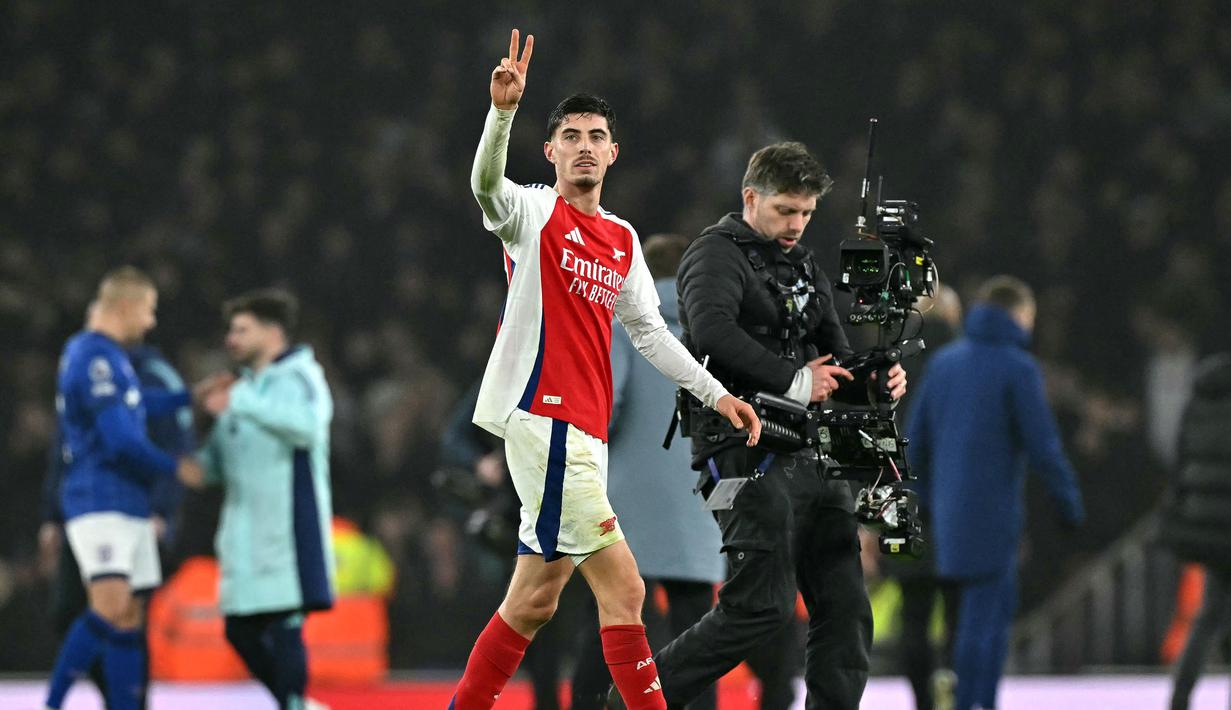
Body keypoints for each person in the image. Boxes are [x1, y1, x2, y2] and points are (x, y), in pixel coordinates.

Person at [450, 29, 761, 710]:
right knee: (626, 589)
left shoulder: (621, 238)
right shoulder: (533, 212)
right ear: (551, 151)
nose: (584, 145)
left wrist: (715, 395)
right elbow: (484, 186)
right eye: (571, 136)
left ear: (613, 152)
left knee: (533, 601)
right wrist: (501, 113)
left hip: (584, 433)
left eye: (596, 136)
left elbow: (649, 332)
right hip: (547, 421)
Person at [639, 141, 907, 710]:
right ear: (750, 198)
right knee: (759, 606)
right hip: (743, 449)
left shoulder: (804, 265)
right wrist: (795, 381)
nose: (796, 225)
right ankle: (635, 701)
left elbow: (836, 358)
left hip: (812, 453)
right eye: (786, 210)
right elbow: (710, 333)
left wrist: (876, 381)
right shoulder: (713, 254)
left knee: (846, 609)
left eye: (806, 212)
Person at [906, 276, 1085, 710]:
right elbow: (1044, 447)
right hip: (994, 517)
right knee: (985, 623)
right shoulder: (1018, 368)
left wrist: (923, 503)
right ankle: (975, 703)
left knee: (963, 619)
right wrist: (1069, 504)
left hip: (946, 518)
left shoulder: (944, 364)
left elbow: (914, 444)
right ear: (1020, 315)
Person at [568, 233, 726, 710]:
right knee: (697, 631)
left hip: (627, 501)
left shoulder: (622, 327)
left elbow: (605, 406)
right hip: (699, 498)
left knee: (612, 621)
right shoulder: (716, 336)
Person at [44, 266, 202, 710]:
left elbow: (135, 401)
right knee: (109, 608)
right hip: (101, 499)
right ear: (127, 306)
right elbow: (119, 439)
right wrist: (174, 468)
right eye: (149, 309)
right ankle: (51, 704)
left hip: (128, 501)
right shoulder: (93, 356)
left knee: (129, 616)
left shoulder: (111, 357)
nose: (151, 321)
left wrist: (189, 396)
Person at [182, 289, 335, 710]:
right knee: (239, 631)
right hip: (243, 537)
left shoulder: (301, 376)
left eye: (241, 330)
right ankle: (297, 705)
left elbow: (308, 425)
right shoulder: (241, 390)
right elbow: (213, 465)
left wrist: (240, 401)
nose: (230, 339)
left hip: (289, 528)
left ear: (272, 332)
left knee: (286, 625)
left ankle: (294, 704)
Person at [1160, 352, 1231, 710]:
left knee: (1209, 616)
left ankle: (1180, 697)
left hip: (1207, 526)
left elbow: (1180, 458)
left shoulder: (1202, 398)